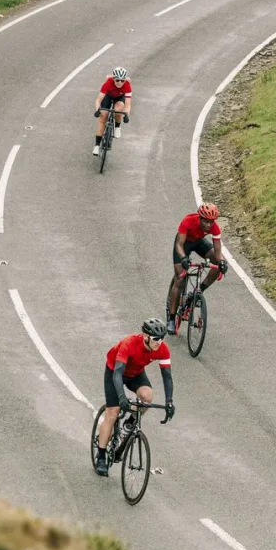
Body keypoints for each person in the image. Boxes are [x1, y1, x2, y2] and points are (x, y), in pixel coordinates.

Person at [95, 318, 174, 477]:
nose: (159, 342)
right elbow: (117, 374)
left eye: (162, 338)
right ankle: (101, 456)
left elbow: (167, 376)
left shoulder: (162, 349)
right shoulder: (129, 344)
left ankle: (130, 423)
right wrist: (122, 397)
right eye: (156, 339)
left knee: (147, 396)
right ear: (146, 336)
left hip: (135, 374)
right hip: (115, 372)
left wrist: (169, 402)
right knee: (113, 412)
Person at [166, 202, 228, 335]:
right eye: (206, 221)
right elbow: (179, 245)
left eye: (211, 222)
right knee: (180, 279)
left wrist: (222, 262)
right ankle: (171, 319)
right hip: (184, 244)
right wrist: (183, 258)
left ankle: (197, 292)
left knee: (217, 265)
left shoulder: (214, 227)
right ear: (199, 217)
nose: (208, 225)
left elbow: (217, 251)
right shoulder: (188, 221)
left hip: (198, 242)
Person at [93, 66, 131, 156]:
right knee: (103, 116)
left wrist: (126, 115)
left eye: (122, 80)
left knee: (119, 109)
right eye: (117, 80)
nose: (120, 82)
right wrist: (97, 110)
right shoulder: (107, 84)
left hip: (119, 97)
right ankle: (97, 146)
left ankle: (117, 127)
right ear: (113, 79)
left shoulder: (127, 86)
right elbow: (98, 100)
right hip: (108, 96)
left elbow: (128, 104)